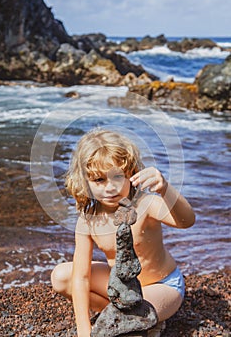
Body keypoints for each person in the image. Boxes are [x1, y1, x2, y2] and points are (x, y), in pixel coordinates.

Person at [51, 128, 195, 337]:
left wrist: (164, 188)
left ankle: (136, 320)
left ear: (131, 173)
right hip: (122, 289)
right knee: (61, 277)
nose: (110, 188)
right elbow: (81, 278)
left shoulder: (146, 204)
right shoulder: (88, 220)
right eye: (99, 180)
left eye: (117, 177)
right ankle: (125, 318)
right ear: (86, 182)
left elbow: (187, 221)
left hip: (162, 285)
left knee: (132, 315)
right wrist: (84, 330)